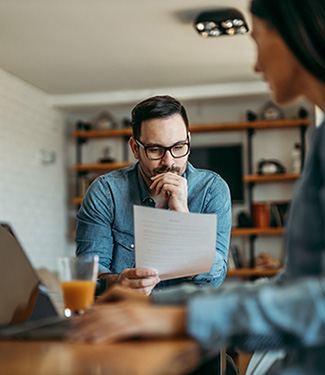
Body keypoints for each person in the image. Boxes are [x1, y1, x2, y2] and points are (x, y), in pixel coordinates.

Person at [70, 1, 325, 373]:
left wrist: (177, 318)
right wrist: (157, 308)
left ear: (294, 36)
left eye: (258, 40)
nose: (256, 65)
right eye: (156, 149)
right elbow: (295, 285)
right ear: (136, 148)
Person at [75, 95, 232, 295]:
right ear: (135, 148)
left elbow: (214, 279)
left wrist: (183, 217)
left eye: (178, 147)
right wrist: (118, 282)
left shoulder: (212, 189)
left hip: (183, 318)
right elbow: (87, 276)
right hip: (125, 315)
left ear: (188, 141)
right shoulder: (105, 192)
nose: (169, 162)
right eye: (155, 150)